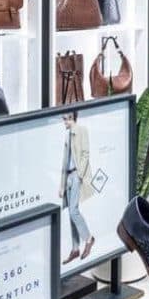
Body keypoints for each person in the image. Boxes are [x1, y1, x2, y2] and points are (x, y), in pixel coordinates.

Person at [59, 110, 95, 263]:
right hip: (68, 177)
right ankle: (75, 248)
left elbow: (86, 153)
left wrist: (80, 174)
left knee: (74, 211)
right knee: (70, 213)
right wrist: (61, 184)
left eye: (65, 119)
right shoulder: (67, 135)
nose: (64, 122)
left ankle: (88, 239)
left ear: (71, 118)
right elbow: (64, 161)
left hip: (76, 176)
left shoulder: (81, 131)